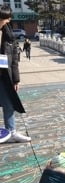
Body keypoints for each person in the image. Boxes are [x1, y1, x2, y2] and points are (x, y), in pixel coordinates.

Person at [0, 5, 31, 143]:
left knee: (9, 105)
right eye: (3, 19)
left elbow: (14, 60)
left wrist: (16, 79)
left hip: (4, 77)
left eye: (6, 18)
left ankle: (11, 132)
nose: (6, 21)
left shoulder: (9, 35)